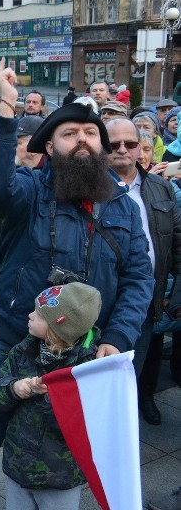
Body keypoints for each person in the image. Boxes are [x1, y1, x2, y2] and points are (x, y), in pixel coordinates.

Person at [0, 58, 154, 509]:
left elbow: (140, 277)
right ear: (50, 147)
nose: (82, 139)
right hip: (11, 348)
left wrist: (118, 336)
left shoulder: (121, 208)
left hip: (83, 361)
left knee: (75, 458)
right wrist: (6, 109)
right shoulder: (30, 191)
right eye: (70, 133)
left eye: (90, 133)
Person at [0, 283, 102, 510]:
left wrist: (52, 396)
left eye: (38, 315)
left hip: (59, 477)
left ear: (56, 329)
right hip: (18, 466)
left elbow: (80, 426)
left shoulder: (86, 370)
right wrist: (14, 388)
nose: (29, 315)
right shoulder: (23, 351)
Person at [105, 117, 181, 426]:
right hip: (101, 304)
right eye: (114, 144)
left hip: (145, 303)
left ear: (141, 149)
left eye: (130, 143)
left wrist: (175, 296)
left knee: (130, 375)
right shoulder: (87, 187)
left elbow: (177, 242)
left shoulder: (162, 188)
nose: (122, 149)